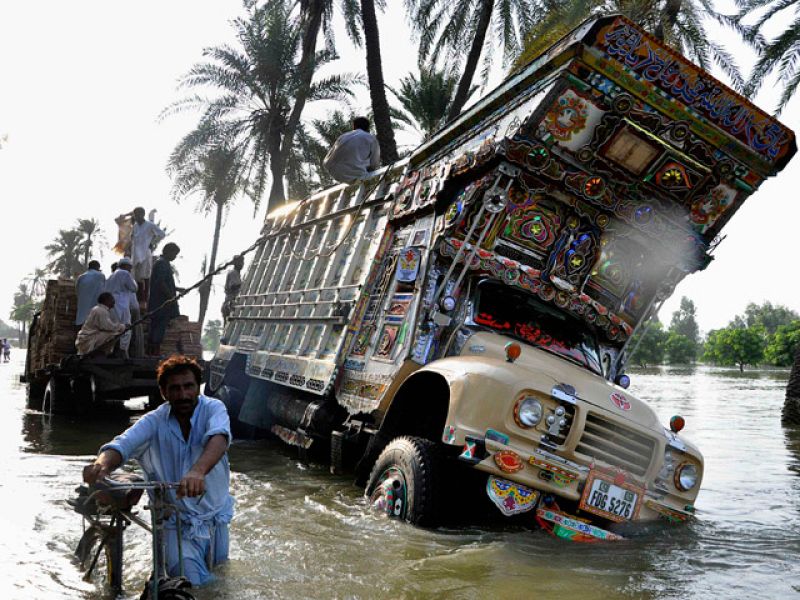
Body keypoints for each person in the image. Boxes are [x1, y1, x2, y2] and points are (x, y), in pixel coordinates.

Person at [82, 355, 233, 586]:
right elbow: (121, 446)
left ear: (198, 388)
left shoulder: (214, 408)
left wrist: (198, 471)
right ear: (164, 392)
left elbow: (220, 437)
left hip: (216, 517)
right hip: (174, 521)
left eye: (188, 386)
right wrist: (101, 465)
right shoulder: (153, 421)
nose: (183, 395)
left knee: (220, 579)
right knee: (190, 584)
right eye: (175, 389)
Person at [116, 207, 166, 303]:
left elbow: (162, 234)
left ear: (142, 214)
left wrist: (152, 241)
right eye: (135, 215)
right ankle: (137, 299)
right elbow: (133, 238)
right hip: (135, 255)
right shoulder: (135, 226)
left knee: (145, 276)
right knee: (135, 276)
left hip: (145, 253)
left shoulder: (150, 225)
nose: (137, 217)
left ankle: (144, 300)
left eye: (138, 214)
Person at [323, 116, 381, 183]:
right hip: (355, 174)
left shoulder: (343, 137)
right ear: (368, 127)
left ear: (354, 126)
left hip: (334, 173)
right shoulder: (371, 139)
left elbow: (327, 160)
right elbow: (374, 164)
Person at [148, 243, 181, 356]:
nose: (175, 257)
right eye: (174, 254)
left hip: (160, 302)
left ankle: (154, 352)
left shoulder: (163, 263)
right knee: (158, 328)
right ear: (168, 251)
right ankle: (154, 353)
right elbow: (160, 283)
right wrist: (171, 297)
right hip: (161, 303)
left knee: (158, 327)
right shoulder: (162, 263)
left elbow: (165, 283)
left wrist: (177, 290)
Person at [104, 257, 138, 358]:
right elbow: (134, 288)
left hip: (111, 304)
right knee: (127, 327)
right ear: (126, 266)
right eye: (130, 267)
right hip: (122, 304)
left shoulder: (111, 276)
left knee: (113, 327)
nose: (130, 270)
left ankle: (110, 350)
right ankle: (122, 350)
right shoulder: (124, 273)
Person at [75, 261, 106, 326]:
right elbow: (104, 291)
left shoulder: (81, 277)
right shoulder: (101, 276)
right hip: (95, 309)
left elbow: (77, 292)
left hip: (82, 312)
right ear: (97, 267)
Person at [221, 255, 244, 325]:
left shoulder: (237, 274)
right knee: (229, 327)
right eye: (240, 262)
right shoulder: (233, 273)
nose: (242, 264)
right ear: (235, 263)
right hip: (230, 304)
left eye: (242, 262)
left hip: (232, 304)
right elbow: (233, 286)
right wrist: (244, 285)